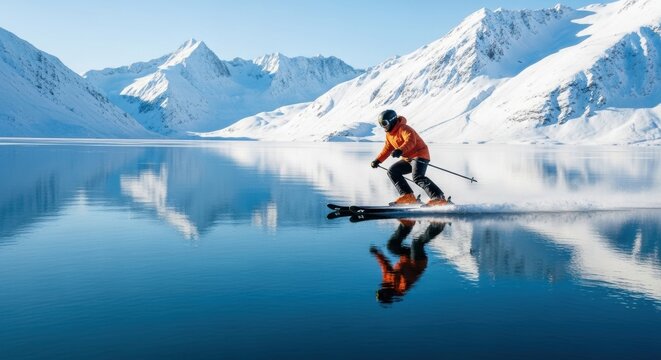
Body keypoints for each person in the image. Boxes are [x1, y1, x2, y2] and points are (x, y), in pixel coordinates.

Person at [370, 109, 448, 206]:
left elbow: (411, 141)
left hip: (420, 155)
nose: (383, 127)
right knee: (392, 171)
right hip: (408, 159)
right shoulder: (389, 135)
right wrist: (378, 160)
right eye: (381, 124)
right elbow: (387, 149)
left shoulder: (404, 128)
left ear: (392, 120)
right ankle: (408, 196)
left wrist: (400, 150)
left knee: (418, 177)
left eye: (384, 123)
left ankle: (438, 198)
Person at [370, 220, 447, 304]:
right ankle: (437, 226)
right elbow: (409, 274)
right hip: (417, 262)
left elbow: (384, 265)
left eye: (381, 290)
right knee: (416, 243)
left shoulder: (386, 281)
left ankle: (407, 226)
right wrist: (396, 274)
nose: (382, 288)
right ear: (387, 295)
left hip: (406, 257)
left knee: (391, 246)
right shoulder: (402, 288)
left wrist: (376, 253)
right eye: (383, 291)